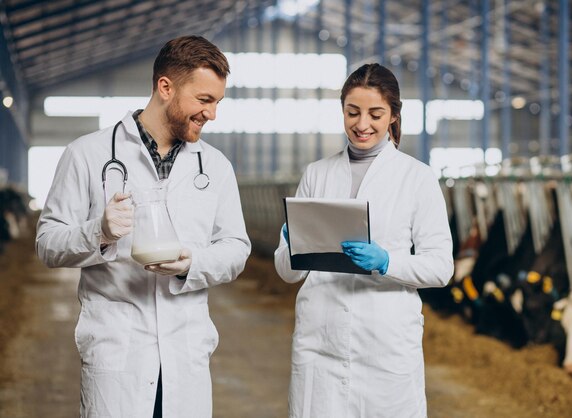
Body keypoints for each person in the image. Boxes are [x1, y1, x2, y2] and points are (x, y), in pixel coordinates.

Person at [36, 36, 251, 417]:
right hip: (117, 354)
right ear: (165, 87)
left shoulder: (215, 166)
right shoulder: (88, 154)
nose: (213, 114)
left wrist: (191, 262)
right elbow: (48, 243)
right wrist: (98, 232)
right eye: (204, 100)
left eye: (218, 102)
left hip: (185, 355)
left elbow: (236, 248)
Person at [274, 63, 454, 417]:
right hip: (319, 342)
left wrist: (388, 262)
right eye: (352, 112)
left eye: (375, 114)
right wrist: (292, 246)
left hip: (385, 344)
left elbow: (441, 267)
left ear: (393, 116)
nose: (361, 124)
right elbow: (288, 273)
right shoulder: (317, 174)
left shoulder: (416, 178)